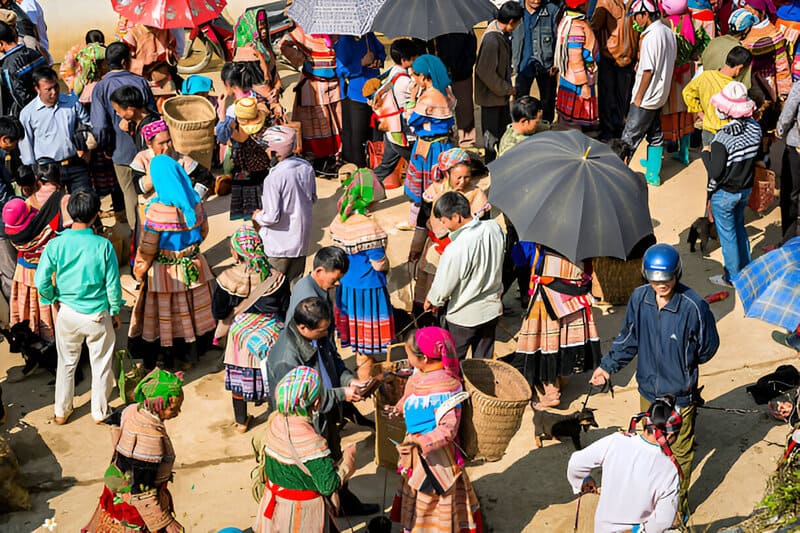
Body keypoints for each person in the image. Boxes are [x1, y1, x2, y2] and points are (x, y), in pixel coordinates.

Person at [590, 243, 720, 519]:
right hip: (648, 391)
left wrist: (683, 363)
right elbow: (628, 339)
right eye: (655, 279)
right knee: (650, 450)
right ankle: (648, 502)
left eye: (667, 279)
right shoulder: (640, 299)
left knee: (679, 455)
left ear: (677, 274)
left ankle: (675, 510)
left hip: (680, 396)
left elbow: (708, 347)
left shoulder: (693, 306)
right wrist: (607, 367)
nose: (661, 285)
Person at [267, 296, 378, 516]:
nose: (326, 334)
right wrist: (341, 395)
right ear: (302, 327)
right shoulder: (285, 358)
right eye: (322, 331)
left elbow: (334, 361)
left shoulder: (318, 334)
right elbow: (301, 400)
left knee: (332, 459)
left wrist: (349, 381)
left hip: (325, 414)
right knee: (323, 473)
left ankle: (344, 505)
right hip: (310, 422)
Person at [35, 191, 122, 425]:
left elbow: (41, 281)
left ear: (70, 213)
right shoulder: (103, 246)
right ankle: (100, 412)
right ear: (96, 215)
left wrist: (51, 297)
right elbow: (113, 285)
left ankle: (61, 411)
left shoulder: (56, 244)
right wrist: (115, 311)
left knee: (66, 363)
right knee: (101, 364)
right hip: (97, 315)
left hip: (68, 313)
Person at [386, 327, 483, 533]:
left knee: (433, 496)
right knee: (416, 488)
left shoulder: (446, 390)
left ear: (424, 359)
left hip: (437, 456)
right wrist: (398, 408)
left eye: (409, 355)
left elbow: (448, 430)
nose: (408, 359)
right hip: (416, 449)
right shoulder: (419, 374)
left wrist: (420, 443)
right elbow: (410, 396)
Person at [128, 155, 215, 370]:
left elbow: (147, 249)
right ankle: (189, 356)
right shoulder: (195, 201)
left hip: (165, 275)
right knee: (192, 314)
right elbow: (203, 232)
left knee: (168, 318)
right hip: (194, 267)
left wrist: (139, 270)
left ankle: (168, 358)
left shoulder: (156, 210)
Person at [252, 366, 357, 532]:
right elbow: (327, 486)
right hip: (301, 513)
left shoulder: (275, 422)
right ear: (316, 403)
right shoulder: (312, 442)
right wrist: (347, 464)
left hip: (274, 506)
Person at [82, 368, 185, 533]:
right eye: (173, 409)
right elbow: (141, 491)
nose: (178, 413)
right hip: (135, 509)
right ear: (157, 405)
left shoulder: (131, 410)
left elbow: (114, 423)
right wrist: (165, 522)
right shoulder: (149, 441)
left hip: (116, 490)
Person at [501, 243, 601, 408]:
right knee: (565, 343)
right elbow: (588, 271)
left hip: (548, 301)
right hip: (574, 301)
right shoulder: (584, 240)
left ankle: (551, 393)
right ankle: (562, 378)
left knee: (547, 345)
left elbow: (518, 259)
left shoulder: (540, 238)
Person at [212, 226, 289, 433]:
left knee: (238, 376)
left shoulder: (226, 278)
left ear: (235, 251)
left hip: (241, 336)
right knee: (272, 376)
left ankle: (241, 421)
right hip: (271, 333)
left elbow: (219, 312)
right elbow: (285, 309)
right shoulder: (277, 278)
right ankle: (276, 415)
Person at [567, 398, 682, 533]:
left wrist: (581, 481)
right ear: (669, 435)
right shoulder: (670, 470)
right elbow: (662, 521)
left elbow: (576, 462)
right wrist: (637, 530)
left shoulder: (616, 441)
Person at [424, 192, 505, 360]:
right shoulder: (494, 228)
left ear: (456, 217)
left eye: (444, 221)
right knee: (483, 362)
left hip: (464, 316)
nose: (444, 226)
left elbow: (444, 285)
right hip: (491, 309)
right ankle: (480, 387)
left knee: (453, 361)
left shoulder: (456, 248)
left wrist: (432, 300)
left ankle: (456, 387)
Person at [330, 168, 393, 381]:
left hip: (347, 287)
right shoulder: (368, 226)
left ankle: (363, 367)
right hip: (368, 291)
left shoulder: (341, 218)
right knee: (366, 347)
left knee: (358, 340)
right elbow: (378, 263)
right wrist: (386, 266)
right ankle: (365, 382)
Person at [410, 149, 491, 312]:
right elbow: (422, 222)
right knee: (432, 284)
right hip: (435, 249)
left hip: (465, 250)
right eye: (458, 177)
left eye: (467, 177)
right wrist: (416, 248)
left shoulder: (476, 195)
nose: (462, 182)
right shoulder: (433, 192)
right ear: (446, 174)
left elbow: (483, 225)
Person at [91, 42, 157, 231]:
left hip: (120, 151)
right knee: (150, 189)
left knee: (129, 193)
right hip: (147, 148)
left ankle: (137, 234)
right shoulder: (140, 81)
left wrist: (107, 148)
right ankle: (156, 229)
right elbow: (152, 113)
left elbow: (100, 126)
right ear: (124, 61)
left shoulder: (101, 87)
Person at [4, 161, 70, 342]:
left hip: (25, 268)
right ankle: (57, 339)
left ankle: (33, 337)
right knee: (53, 307)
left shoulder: (24, 204)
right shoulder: (63, 200)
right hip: (53, 269)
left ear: (38, 180)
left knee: (31, 306)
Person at [703, 81, 760, 287]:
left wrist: (704, 154)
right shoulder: (755, 128)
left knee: (728, 236)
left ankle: (732, 277)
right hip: (745, 189)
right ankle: (746, 270)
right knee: (739, 227)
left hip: (725, 193)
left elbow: (715, 172)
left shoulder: (722, 138)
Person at [616, 0, 677, 186]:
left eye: (637, 16)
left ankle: (618, 178)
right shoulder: (668, 32)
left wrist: (639, 98)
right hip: (660, 94)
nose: (636, 20)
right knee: (656, 134)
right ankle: (653, 174)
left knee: (628, 139)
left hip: (647, 96)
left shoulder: (651, 37)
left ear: (645, 15)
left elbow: (648, 70)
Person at [252, 125, 316, 284]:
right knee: (295, 287)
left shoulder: (274, 178)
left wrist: (257, 215)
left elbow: (272, 217)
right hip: (300, 243)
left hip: (278, 246)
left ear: (274, 151)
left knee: (272, 289)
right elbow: (312, 198)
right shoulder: (306, 167)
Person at [19, 67, 92, 193]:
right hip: (48, 171)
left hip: (76, 164)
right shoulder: (28, 114)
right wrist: (33, 174)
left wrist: (87, 148)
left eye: (56, 87)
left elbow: (88, 125)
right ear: (37, 89)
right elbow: (26, 146)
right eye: (48, 89)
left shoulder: (72, 103)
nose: (54, 92)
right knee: (55, 210)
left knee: (84, 204)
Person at [403, 54, 456, 227]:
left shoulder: (427, 98)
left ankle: (420, 221)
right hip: (445, 144)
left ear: (423, 77)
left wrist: (411, 99)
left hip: (428, 147)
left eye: (414, 75)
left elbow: (411, 119)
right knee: (443, 181)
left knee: (425, 186)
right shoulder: (446, 90)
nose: (413, 79)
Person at [279, 27, 342, 164]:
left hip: (334, 84)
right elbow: (283, 45)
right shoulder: (302, 32)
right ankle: (316, 156)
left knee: (335, 118)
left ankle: (335, 154)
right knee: (316, 120)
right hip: (312, 83)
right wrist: (301, 59)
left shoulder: (336, 31)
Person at [660, 0, 708, 166]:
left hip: (671, 74)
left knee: (670, 110)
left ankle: (671, 144)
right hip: (687, 73)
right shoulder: (690, 22)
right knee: (686, 110)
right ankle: (685, 153)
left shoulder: (666, 23)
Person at [475, 1, 523, 163]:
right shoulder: (492, 40)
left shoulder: (499, 35)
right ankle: (491, 166)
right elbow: (485, 72)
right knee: (491, 137)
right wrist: (507, 89)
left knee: (503, 131)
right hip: (491, 97)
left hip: (498, 95)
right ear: (511, 22)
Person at [683, 46, 753, 147]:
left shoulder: (705, 76)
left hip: (708, 129)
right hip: (726, 135)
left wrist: (700, 112)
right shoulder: (735, 88)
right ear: (740, 68)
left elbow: (687, 93)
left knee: (708, 160)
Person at [371, 38, 418, 185]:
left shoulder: (394, 71)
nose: (416, 59)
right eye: (414, 57)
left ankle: (360, 188)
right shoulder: (405, 81)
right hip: (402, 133)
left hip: (391, 130)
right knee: (419, 164)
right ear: (405, 60)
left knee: (385, 166)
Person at [335, 32, 385, 167]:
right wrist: (361, 63)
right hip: (355, 94)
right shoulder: (345, 40)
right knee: (357, 137)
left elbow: (381, 51)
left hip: (374, 91)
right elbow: (341, 70)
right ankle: (358, 169)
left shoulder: (369, 36)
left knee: (375, 133)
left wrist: (378, 60)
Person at [592, 0, 639, 141]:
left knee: (623, 97)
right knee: (607, 96)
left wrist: (639, 55)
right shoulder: (606, 2)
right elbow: (595, 28)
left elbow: (641, 31)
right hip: (609, 57)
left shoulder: (637, 3)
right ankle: (606, 130)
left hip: (629, 58)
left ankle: (619, 129)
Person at [130, 119, 214, 198]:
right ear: (149, 143)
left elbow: (205, 177)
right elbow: (137, 188)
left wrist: (194, 198)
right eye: (161, 143)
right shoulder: (142, 159)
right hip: (152, 209)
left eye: (168, 141)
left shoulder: (180, 159)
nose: (166, 147)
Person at [554, 0, 600, 129]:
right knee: (573, 123)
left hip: (570, 77)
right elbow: (575, 58)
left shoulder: (568, 20)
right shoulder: (575, 26)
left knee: (568, 119)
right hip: (576, 81)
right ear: (581, 5)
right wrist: (583, 83)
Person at [515, 0, 560, 123]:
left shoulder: (552, 11)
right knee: (521, 102)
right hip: (523, 64)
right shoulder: (517, 11)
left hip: (547, 65)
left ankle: (546, 127)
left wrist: (556, 63)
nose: (536, 1)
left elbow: (558, 39)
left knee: (547, 101)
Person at [429, 32, 478, 147]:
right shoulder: (432, 25)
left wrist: (465, 66)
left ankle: (467, 141)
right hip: (440, 75)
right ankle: (446, 139)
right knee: (442, 109)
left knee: (465, 108)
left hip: (462, 73)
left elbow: (471, 47)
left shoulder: (463, 26)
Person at [0, 116, 26, 301]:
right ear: (4, 140)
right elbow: (3, 196)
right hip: (2, 226)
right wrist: (25, 204)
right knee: (9, 272)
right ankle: (15, 319)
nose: (15, 147)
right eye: (14, 143)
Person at [0, 20, 46, 117]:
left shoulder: (7, 66)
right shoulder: (34, 53)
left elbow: (18, 95)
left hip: (29, 114)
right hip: (48, 103)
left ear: (1, 44)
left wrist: (34, 114)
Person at [701, 9, 756, 87]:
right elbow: (746, 85)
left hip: (706, 88)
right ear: (747, 29)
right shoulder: (741, 53)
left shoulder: (714, 41)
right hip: (726, 95)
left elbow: (702, 61)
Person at [122, 22, 178, 93]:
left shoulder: (133, 32)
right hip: (158, 75)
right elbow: (172, 51)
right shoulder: (165, 31)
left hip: (141, 74)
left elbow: (127, 55)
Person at [777, 78, 800, 242]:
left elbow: (788, 113)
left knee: (790, 194)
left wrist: (780, 130)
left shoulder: (799, 86)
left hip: (797, 147)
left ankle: (789, 241)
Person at [110, 85, 161, 153]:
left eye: (118, 111)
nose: (117, 114)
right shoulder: (135, 122)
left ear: (130, 110)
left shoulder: (151, 128)